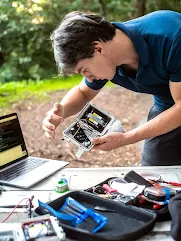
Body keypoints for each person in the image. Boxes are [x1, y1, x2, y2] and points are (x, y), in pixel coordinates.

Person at [42, 10, 181, 166]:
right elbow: (83, 92)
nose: (88, 78)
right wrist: (61, 111)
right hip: (167, 103)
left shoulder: (172, 36)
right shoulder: (109, 60)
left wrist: (127, 138)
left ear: (98, 48)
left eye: (84, 70)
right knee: (155, 171)